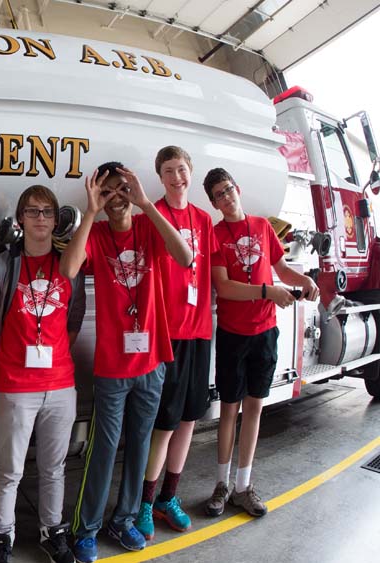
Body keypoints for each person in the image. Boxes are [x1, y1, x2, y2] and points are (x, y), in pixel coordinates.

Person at [59, 163, 192, 563]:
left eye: (122, 189)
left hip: (152, 364)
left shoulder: (150, 227)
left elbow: (185, 257)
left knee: (139, 447)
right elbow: (67, 269)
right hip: (113, 369)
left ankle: (126, 518)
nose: (116, 196)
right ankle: (87, 529)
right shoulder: (96, 235)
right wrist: (92, 210)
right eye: (108, 190)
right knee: (104, 449)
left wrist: (146, 203)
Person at [202, 168, 318, 518]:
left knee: (254, 409)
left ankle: (242, 486)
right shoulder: (216, 235)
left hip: (264, 332)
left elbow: (281, 270)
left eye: (228, 189)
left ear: (238, 188)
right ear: (213, 203)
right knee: (229, 410)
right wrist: (267, 292)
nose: (226, 197)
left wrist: (307, 281)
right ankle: (221, 485)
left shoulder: (263, 227)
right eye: (218, 195)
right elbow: (224, 288)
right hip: (234, 335)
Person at [0, 185, 85, 563]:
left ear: (56, 220)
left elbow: (73, 320)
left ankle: (51, 531)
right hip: (15, 386)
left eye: (47, 212)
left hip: (60, 385)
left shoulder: (69, 265)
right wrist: (6, 362)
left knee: (54, 467)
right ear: (20, 218)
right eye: (32, 211)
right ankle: (0, 537)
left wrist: (55, 355)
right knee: (9, 469)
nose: (40, 218)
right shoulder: (1, 266)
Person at [135, 147, 215, 540]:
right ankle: (145, 503)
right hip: (168, 336)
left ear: (190, 172)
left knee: (188, 419)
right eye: (169, 171)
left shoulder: (203, 219)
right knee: (164, 424)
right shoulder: (152, 218)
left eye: (182, 169)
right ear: (160, 178)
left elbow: (211, 275)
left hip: (200, 332)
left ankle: (169, 496)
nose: (177, 177)